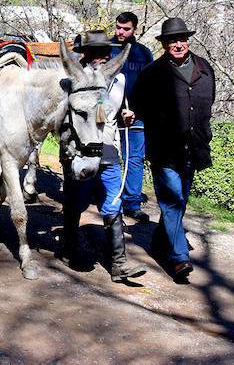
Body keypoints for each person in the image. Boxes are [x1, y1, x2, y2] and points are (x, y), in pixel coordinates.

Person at [131, 17, 215, 282]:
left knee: (180, 202)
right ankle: (179, 259)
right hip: (164, 149)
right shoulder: (153, 73)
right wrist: (131, 115)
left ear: (187, 41)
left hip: (194, 147)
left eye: (182, 39)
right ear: (164, 44)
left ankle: (159, 242)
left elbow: (208, 101)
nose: (178, 44)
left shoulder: (204, 68)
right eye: (172, 41)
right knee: (172, 200)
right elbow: (138, 105)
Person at [59, 31, 148, 283]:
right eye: (98, 52)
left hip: (109, 152)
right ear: (86, 54)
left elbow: (114, 112)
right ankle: (69, 250)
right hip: (79, 153)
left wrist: (127, 116)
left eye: (106, 52)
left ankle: (119, 263)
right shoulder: (71, 80)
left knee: (112, 204)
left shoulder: (118, 80)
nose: (104, 56)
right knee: (75, 202)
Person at [109, 11, 155, 223]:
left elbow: (150, 88)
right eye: (119, 27)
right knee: (105, 158)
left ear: (135, 30)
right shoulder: (106, 49)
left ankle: (132, 204)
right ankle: (107, 199)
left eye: (126, 29)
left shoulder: (144, 54)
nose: (121, 32)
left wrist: (135, 110)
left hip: (135, 115)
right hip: (107, 114)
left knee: (134, 159)